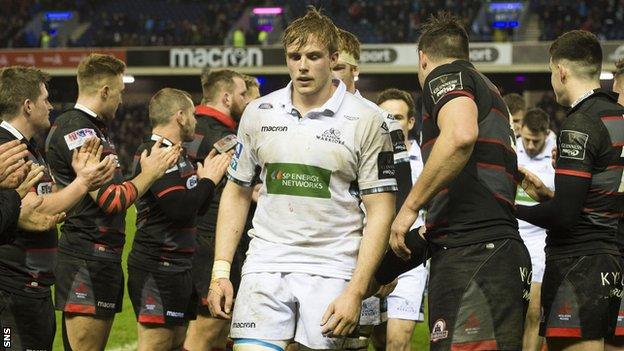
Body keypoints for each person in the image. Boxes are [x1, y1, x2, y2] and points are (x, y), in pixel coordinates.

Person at [208, 8, 397, 350]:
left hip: (334, 269)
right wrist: (221, 272)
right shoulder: (258, 113)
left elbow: (380, 209)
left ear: (334, 57)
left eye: (313, 56)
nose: (302, 66)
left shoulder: (368, 121)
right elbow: (236, 191)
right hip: (265, 263)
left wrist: (357, 289)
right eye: (294, 57)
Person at [382, 13, 531, 351]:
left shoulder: (444, 77)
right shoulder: (490, 91)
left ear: (422, 58)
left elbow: (461, 135)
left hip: (472, 257)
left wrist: (409, 208)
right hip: (499, 251)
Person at [45, 53, 181, 350]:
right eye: (120, 92)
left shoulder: (92, 130)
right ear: (105, 91)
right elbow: (112, 199)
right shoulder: (78, 131)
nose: (121, 100)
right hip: (86, 257)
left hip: (100, 257)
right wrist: (151, 173)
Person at [517, 30, 624, 351]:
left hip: (578, 266)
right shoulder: (617, 117)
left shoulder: (579, 124)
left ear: (561, 71)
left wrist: (508, 209)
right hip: (611, 261)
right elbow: (598, 195)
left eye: (551, 72)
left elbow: (564, 218)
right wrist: (551, 197)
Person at [0, 66, 114, 350]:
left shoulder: (28, 147)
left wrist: (76, 183)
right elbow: (31, 210)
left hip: (32, 288)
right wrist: (83, 182)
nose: (50, 106)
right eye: (45, 99)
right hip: (12, 289)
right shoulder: (7, 149)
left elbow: (43, 201)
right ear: (27, 106)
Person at [128, 88, 231, 350]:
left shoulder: (179, 155)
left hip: (179, 266)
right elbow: (180, 208)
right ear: (181, 116)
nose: (196, 122)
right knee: (157, 343)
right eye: (193, 115)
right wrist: (208, 180)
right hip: (156, 266)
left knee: (176, 342)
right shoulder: (153, 153)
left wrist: (206, 181)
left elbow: (198, 208)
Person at [332, 27, 412, 350]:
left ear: (355, 70)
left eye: (339, 67)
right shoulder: (306, 117)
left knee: (356, 339)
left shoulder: (383, 121)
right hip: (315, 250)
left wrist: (386, 263)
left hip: (362, 252)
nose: (331, 74)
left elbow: (400, 192)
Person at [184, 69, 249, 351]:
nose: (246, 101)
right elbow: (251, 188)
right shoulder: (225, 139)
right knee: (208, 332)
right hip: (214, 242)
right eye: (242, 94)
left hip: (187, 239)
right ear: (225, 97)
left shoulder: (187, 127)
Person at [377, 88, 429, 351]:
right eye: (385, 116)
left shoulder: (428, 161)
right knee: (372, 338)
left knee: (397, 341)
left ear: (410, 122)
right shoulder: (367, 157)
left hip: (409, 258)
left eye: (397, 117)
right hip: (371, 253)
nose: (390, 123)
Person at [514, 108, 555, 351]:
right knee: (509, 309)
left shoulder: (558, 152)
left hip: (541, 239)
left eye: (535, 141)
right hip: (512, 235)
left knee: (533, 312)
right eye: (527, 139)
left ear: (546, 134)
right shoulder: (512, 148)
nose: (529, 145)